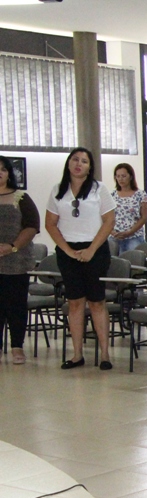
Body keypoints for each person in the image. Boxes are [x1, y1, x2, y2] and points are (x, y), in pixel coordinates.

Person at [44, 147, 115, 371]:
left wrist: (91, 250)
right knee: (74, 302)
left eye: (84, 161)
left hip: (95, 249)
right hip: (68, 252)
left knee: (96, 302)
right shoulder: (58, 190)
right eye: (75, 159)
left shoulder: (98, 189)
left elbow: (109, 221)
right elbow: (50, 224)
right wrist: (66, 250)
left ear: (89, 167)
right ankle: (77, 355)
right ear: (68, 163)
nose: (79, 164)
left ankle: (104, 354)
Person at [0, 155, 40, 366]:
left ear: (9, 173)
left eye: (3, 169)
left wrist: (12, 246)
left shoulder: (21, 197)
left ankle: (17, 347)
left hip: (16, 260)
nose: (0, 173)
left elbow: (32, 226)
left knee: (15, 306)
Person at [110, 163, 147, 254]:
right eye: (118, 176)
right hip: (115, 236)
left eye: (123, 176)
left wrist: (130, 231)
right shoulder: (112, 195)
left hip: (134, 236)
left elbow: (144, 217)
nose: (120, 179)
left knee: (134, 263)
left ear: (130, 177)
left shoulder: (140, 194)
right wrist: (112, 232)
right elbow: (106, 217)